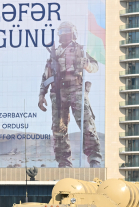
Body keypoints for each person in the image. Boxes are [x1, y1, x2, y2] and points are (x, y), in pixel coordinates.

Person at [38, 21, 103, 168]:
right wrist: (41, 95)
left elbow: (95, 66)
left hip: (76, 90)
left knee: (87, 124)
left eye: (67, 31)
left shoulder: (81, 49)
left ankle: (94, 158)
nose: (64, 34)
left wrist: (87, 65)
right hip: (58, 94)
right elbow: (46, 76)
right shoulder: (54, 53)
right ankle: (64, 162)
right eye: (61, 32)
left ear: (73, 33)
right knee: (59, 129)